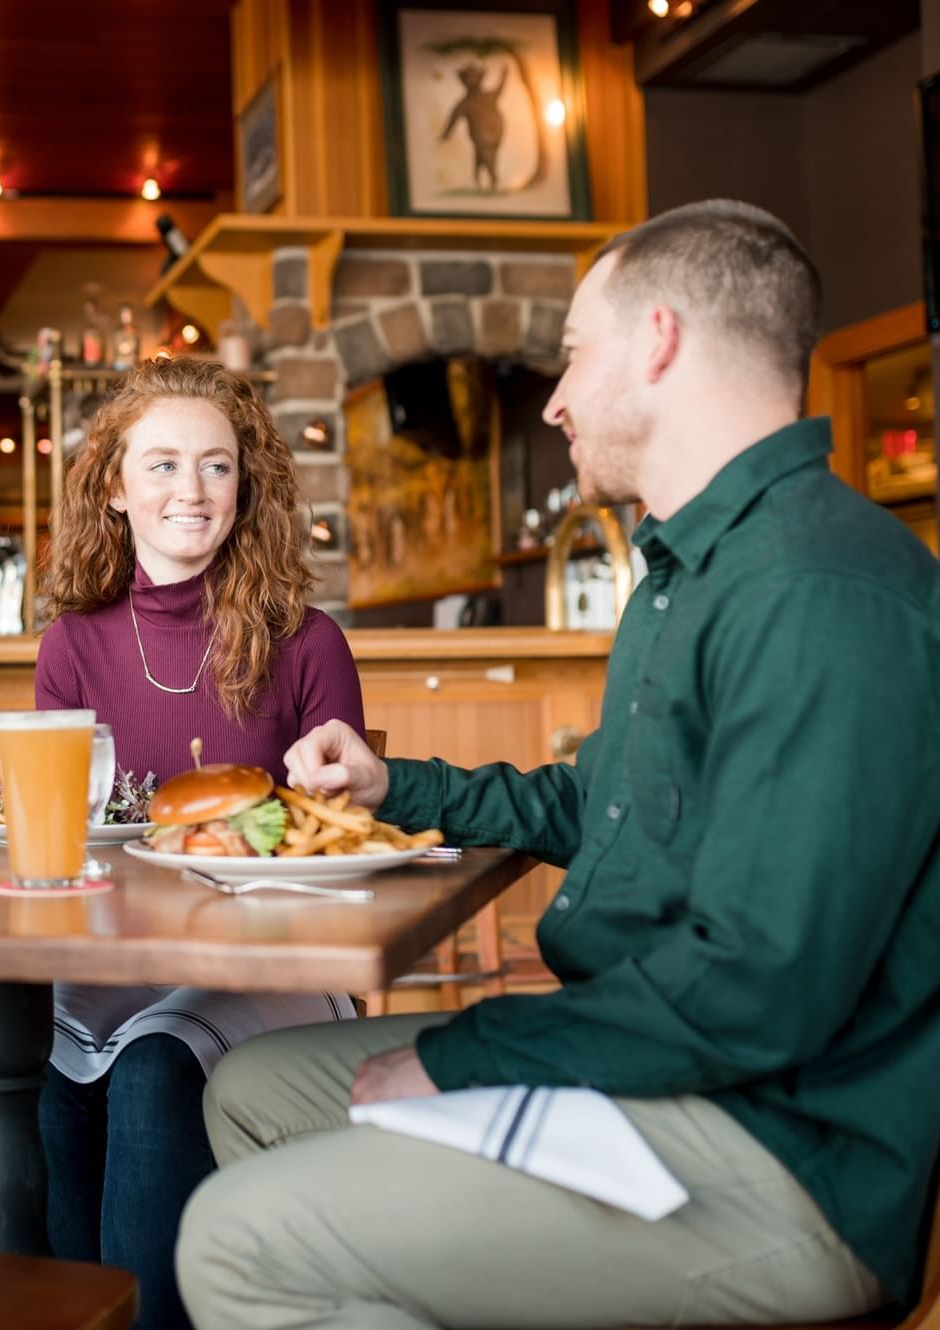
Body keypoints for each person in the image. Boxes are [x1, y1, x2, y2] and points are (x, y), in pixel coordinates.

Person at [176, 200, 940, 1330]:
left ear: (661, 341)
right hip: (680, 1067)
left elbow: (758, 988)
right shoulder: (688, 565)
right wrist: (402, 790)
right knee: (249, 1088)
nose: (555, 394)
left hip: (790, 1148)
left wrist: (467, 1052)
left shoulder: (818, 591)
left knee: (235, 1244)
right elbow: (601, 803)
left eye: (576, 351)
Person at [0, 357, 366, 1330]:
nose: (191, 492)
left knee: (155, 1067)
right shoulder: (72, 642)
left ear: (245, 487)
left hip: (265, 959)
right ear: (115, 488)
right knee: (28, 1076)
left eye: (215, 467)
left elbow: (342, 836)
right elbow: (72, 821)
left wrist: (330, 792)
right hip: (110, 960)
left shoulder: (306, 640)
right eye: (161, 465)